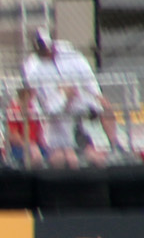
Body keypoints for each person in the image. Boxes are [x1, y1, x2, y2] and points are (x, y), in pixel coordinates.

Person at [23, 27, 114, 166]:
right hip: (55, 110)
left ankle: (114, 146)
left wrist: (95, 94)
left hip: (77, 100)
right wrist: (63, 95)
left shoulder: (69, 52)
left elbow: (86, 77)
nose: (46, 53)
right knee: (66, 157)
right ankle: (77, 152)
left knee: (103, 105)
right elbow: (43, 106)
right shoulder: (32, 67)